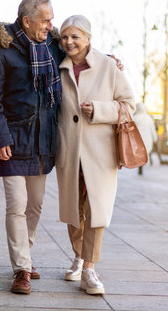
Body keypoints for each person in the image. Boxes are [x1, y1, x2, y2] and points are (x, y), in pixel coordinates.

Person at [0, 0, 63, 295]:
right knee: (17, 204)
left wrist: (107, 60)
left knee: (36, 204)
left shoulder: (53, 45)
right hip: (12, 140)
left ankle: (25, 256)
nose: (51, 25)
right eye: (45, 20)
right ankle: (21, 269)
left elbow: (80, 55)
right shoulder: (2, 50)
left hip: (43, 139)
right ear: (27, 21)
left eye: (52, 18)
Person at [55, 15, 135, 295]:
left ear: (89, 38)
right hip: (68, 149)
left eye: (76, 36)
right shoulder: (58, 64)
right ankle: (78, 255)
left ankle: (89, 268)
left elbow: (128, 105)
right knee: (73, 210)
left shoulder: (109, 66)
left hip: (100, 153)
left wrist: (99, 110)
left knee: (96, 211)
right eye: (65, 37)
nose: (69, 42)